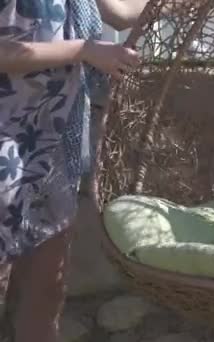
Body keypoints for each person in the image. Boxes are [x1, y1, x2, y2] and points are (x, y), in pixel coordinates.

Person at [0, 1, 150, 341]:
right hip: (8, 140)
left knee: (46, 289)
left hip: (56, 137)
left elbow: (120, 12)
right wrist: (83, 50)